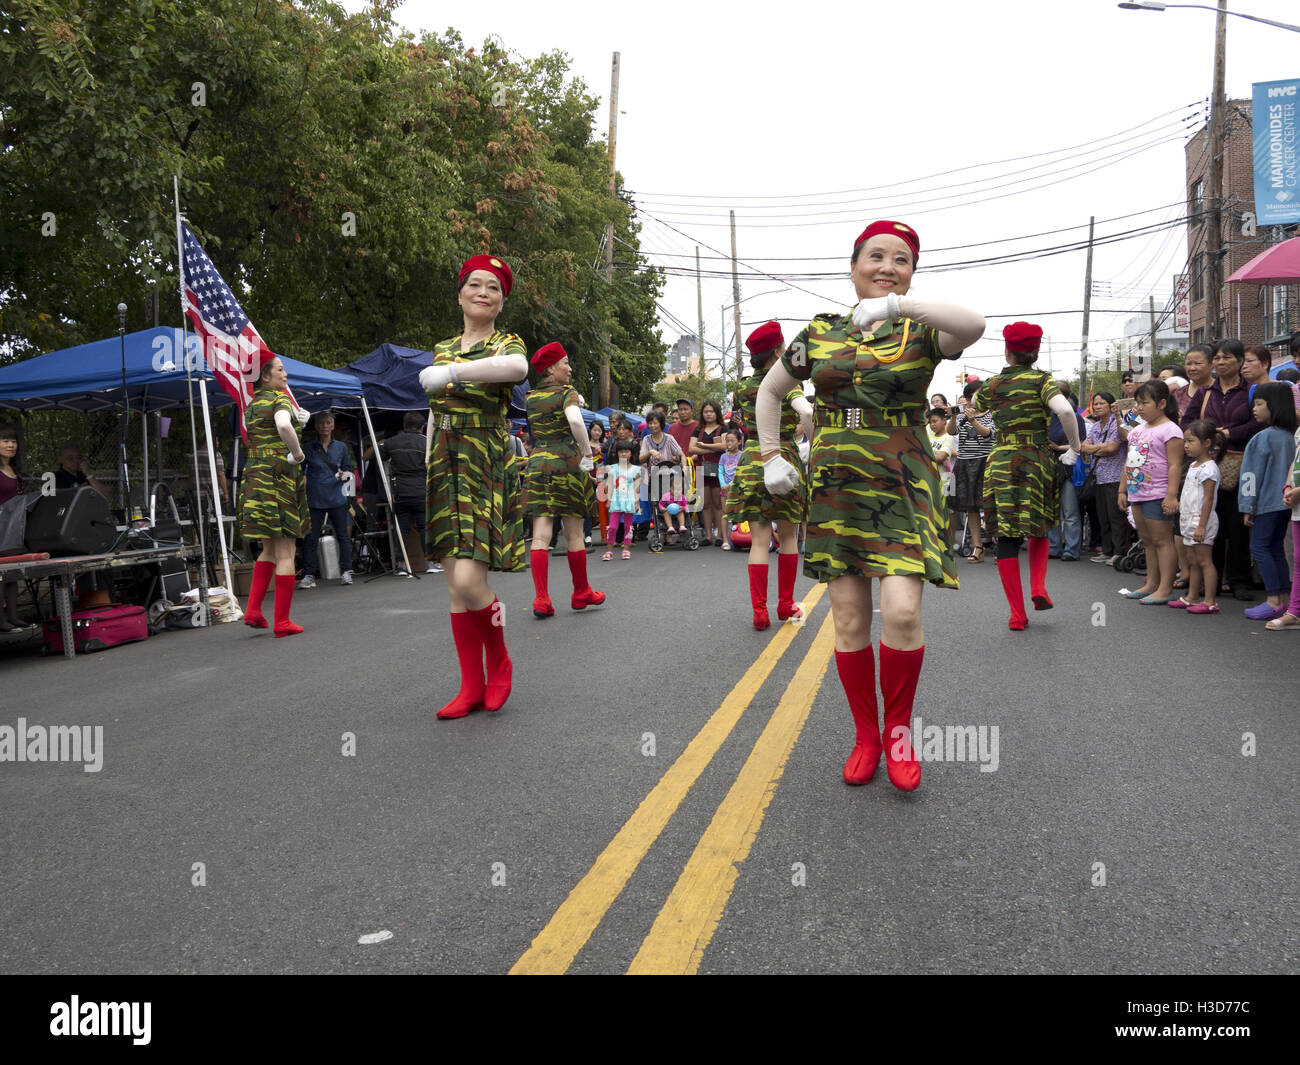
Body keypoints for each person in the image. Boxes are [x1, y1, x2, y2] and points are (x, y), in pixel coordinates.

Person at [758, 220, 985, 791]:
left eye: (901, 259)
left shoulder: (919, 330)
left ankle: (900, 736)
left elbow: (974, 325)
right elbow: (770, 390)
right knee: (850, 617)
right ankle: (866, 736)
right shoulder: (818, 332)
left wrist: (897, 308)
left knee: (903, 613)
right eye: (875, 256)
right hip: (837, 481)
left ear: (912, 272)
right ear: (853, 265)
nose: (887, 266)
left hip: (902, 479)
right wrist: (769, 457)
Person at [418, 254, 529, 719]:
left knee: (470, 579)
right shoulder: (443, 346)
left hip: (483, 457)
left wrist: (456, 373)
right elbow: (433, 412)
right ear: (460, 293)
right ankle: (470, 685)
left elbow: (518, 369)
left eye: (493, 289)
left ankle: (499, 659)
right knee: (453, 586)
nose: (483, 292)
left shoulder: (506, 342)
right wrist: (428, 457)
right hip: (444, 460)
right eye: (475, 285)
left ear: (501, 303)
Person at [726, 321, 812, 631]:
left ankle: (759, 612)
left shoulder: (744, 387)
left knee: (759, 541)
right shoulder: (790, 383)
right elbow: (806, 413)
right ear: (778, 351)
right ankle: (785, 605)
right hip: (784, 456)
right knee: (788, 537)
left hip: (751, 460)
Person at [521, 342, 603, 619]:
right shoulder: (567, 393)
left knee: (541, 534)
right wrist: (587, 454)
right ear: (552, 368)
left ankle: (541, 598)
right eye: (565, 363)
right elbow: (577, 422)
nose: (569, 368)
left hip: (537, 463)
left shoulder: (530, 397)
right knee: (574, 533)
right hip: (567, 462)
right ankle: (581, 592)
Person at [240, 357, 309, 637]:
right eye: (280, 369)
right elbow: (282, 426)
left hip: (255, 478)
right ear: (265, 377)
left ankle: (254, 610)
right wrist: (298, 452)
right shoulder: (278, 399)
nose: (285, 373)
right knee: (286, 552)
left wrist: (300, 420)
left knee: (268, 549)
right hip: (278, 478)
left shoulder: (251, 406)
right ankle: (282, 621)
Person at [1116, 380, 1184, 604]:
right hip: (1137, 493)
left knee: (1162, 540)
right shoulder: (1136, 431)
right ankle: (1151, 583)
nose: (1140, 407)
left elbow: (1175, 465)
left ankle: (1165, 587)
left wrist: (1171, 495)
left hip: (1158, 493)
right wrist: (1122, 490)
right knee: (1147, 540)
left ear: (1162, 403)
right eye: (1138, 403)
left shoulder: (1171, 430)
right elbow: (1129, 461)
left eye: (1145, 403)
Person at [1206, 339, 1264, 601]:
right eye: (1217, 358)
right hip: (1210, 466)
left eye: (1226, 357)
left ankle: (1240, 580)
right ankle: (1213, 579)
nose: (1220, 362)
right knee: (1212, 523)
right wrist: (1207, 435)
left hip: (1244, 464)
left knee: (1239, 523)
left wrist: (1228, 433)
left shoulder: (1252, 391)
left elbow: (1259, 422)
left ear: (1240, 361)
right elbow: (1188, 422)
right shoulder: (1206, 392)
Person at [1237, 382, 1298, 622]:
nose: (1254, 409)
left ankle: (1273, 600)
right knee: (1276, 550)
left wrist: (1247, 506)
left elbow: (1251, 476)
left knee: (1260, 547)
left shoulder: (1261, 438)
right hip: (1286, 502)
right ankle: (1284, 598)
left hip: (1265, 503)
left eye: (1260, 404)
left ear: (1274, 406)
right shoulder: (1290, 436)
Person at [365, 411, 434, 575]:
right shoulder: (426, 442)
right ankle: (429, 562)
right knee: (425, 527)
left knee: (401, 529)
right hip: (420, 490)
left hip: (399, 491)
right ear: (422, 427)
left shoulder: (391, 442)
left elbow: (376, 459)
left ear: (404, 425)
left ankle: (402, 564)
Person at [1172, 419, 1224, 614]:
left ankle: (1210, 600)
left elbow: (1208, 500)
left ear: (1207, 443)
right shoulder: (1194, 465)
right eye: (1185, 441)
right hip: (1188, 519)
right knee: (1192, 560)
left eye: (1191, 441)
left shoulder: (1209, 468)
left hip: (1201, 520)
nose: (1186, 445)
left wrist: (1201, 526)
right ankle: (1192, 596)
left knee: (1204, 561)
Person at [300, 411, 355, 588]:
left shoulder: (341, 447)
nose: (324, 426)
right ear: (316, 426)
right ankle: (309, 574)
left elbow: (348, 470)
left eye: (327, 423)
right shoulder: (308, 447)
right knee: (310, 537)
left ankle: (346, 571)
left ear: (332, 426)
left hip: (336, 496)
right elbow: (301, 471)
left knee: (343, 536)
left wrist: (344, 475)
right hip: (314, 497)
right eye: (321, 423)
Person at [947, 380, 995, 562]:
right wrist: (952, 416)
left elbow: (988, 434)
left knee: (992, 506)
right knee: (971, 508)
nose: (970, 400)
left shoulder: (993, 413)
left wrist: (973, 420)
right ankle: (978, 548)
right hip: (965, 463)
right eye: (969, 397)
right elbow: (951, 432)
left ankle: (998, 545)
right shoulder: (962, 415)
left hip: (986, 462)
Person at [1080, 392, 1129, 563]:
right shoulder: (1095, 426)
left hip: (1116, 477)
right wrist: (1101, 448)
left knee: (1116, 517)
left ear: (1110, 405)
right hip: (1099, 477)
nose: (1099, 406)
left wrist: (1096, 448)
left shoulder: (1118, 424)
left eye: (1102, 403)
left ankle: (1119, 552)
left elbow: (1113, 448)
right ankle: (1107, 551)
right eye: (1096, 403)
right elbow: (1084, 447)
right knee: (1103, 516)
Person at [1265, 413, 1300, 630]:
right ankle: (1295, 611)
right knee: (1298, 558)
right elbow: (1294, 462)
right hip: (1297, 504)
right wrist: (1287, 486)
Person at [1046, 380, 1086, 561]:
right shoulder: (1045, 415)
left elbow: (1081, 444)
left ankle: (1072, 549)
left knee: (1070, 511)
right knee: (1051, 511)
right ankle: (1054, 547)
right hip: (1047, 466)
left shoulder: (1073, 416)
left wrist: (1058, 447)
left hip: (1068, 467)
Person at [0, 422, 32, 631]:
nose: (11, 445)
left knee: (13, 575)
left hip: (14, 528)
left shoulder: (14, 469)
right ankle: (1, 620)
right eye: (5, 441)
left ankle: (13, 615)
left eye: (13, 441)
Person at [639, 411, 685, 537]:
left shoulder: (669, 438)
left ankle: (671, 532)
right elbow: (640, 458)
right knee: (658, 504)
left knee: (674, 502)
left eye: (655, 423)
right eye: (650, 423)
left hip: (670, 476)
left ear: (661, 424)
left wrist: (685, 468)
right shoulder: (646, 440)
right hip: (654, 477)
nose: (652, 426)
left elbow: (681, 454)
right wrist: (650, 453)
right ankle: (662, 533)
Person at [690, 400, 728, 545]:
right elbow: (691, 449)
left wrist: (705, 446)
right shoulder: (698, 429)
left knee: (718, 504)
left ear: (717, 412)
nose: (708, 414)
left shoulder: (723, 429)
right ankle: (708, 536)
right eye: (706, 411)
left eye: (711, 411)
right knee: (705, 504)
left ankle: (719, 535)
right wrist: (713, 448)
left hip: (718, 468)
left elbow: (724, 446)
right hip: (701, 468)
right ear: (702, 413)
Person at [600, 439, 641, 562]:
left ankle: (626, 549)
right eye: (621, 452)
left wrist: (637, 502)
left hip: (630, 500)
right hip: (616, 500)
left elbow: (637, 487)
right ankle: (609, 550)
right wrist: (608, 500)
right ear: (617, 454)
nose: (624, 454)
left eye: (626, 451)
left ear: (631, 453)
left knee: (628, 527)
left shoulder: (636, 469)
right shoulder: (613, 468)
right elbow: (610, 485)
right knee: (612, 527)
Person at [926, 407, 957, 545]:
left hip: (948, 479)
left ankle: (951, 539)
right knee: (933, 508)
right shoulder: (928, 434)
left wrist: (923, 453)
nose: (932, 424)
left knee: (949, 510)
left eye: (935, 421)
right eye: (930, 422)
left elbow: (941, 457)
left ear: (944, 421)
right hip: (930, 478)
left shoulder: (949, 438)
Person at [717, 429, 742, 549]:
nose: (729, 443)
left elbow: (740, 473)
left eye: (732, 440)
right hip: (725, 490)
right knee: (725, 513)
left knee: (738, 513)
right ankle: (725, 540)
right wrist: (723, 484)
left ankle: (739, 538)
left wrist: (731, 484)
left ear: (739, 442)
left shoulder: (742, 456)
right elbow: (720, 471)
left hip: (737, 489)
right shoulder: (723, 457)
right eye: (727, 441)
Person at [588, 420, 607, 544]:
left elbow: (602, 465)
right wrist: (590, 477)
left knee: (604, 507)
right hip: (587, 479)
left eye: (599, 430)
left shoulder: (603, 446)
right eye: (595, 430)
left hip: (601, 480)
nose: (597, 432)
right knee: (589, 506)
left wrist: (599, 479)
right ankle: (587, 534)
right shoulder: (585, 445)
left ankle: (605, 535)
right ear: (590, 431)